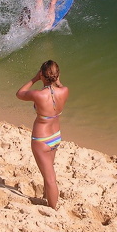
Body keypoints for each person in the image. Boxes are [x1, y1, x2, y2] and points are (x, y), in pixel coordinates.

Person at [16, 60, 69, 209]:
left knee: (50, 178)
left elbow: (19, 94)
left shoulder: (38, 95)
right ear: (57, 75)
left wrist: (34, 79)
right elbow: (58, 85)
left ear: (42, 75)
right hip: (56, 136)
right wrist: (55, 78)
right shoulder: (65, 91)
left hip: (41, 139)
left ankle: (53, 209)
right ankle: (47, 198)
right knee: (49, 171)